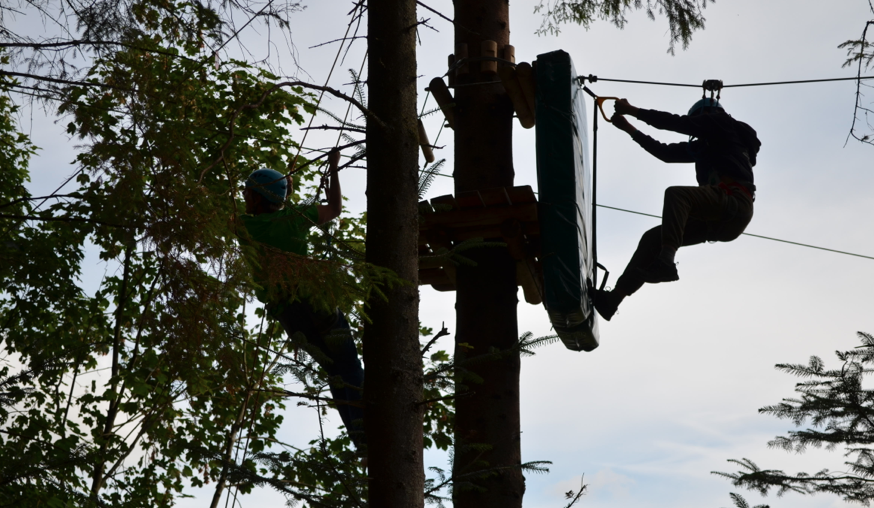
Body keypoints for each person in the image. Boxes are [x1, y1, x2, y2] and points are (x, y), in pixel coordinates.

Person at [240, 149, 365, 447]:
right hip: (315, 302)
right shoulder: (296, 218)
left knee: (335, 371)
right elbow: (334, 208)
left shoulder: (243, 226)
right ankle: (366, 434)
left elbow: (271, 213)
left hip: (289, 315)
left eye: (248, 193)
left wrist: (285, 195)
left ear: (257, 199)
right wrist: (333, 168)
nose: (244, 197)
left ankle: (361, 441)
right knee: (348, 365)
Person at [594, 97, 761, 321]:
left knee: (677, 195)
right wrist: (629, 129)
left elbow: (674, 123)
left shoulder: (722, 124)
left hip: (734, 201)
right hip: (724, 222)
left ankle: (666, 263)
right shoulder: (709, 146)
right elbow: (665, 153)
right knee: (654, 237)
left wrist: (632, 110)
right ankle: (612, 301)